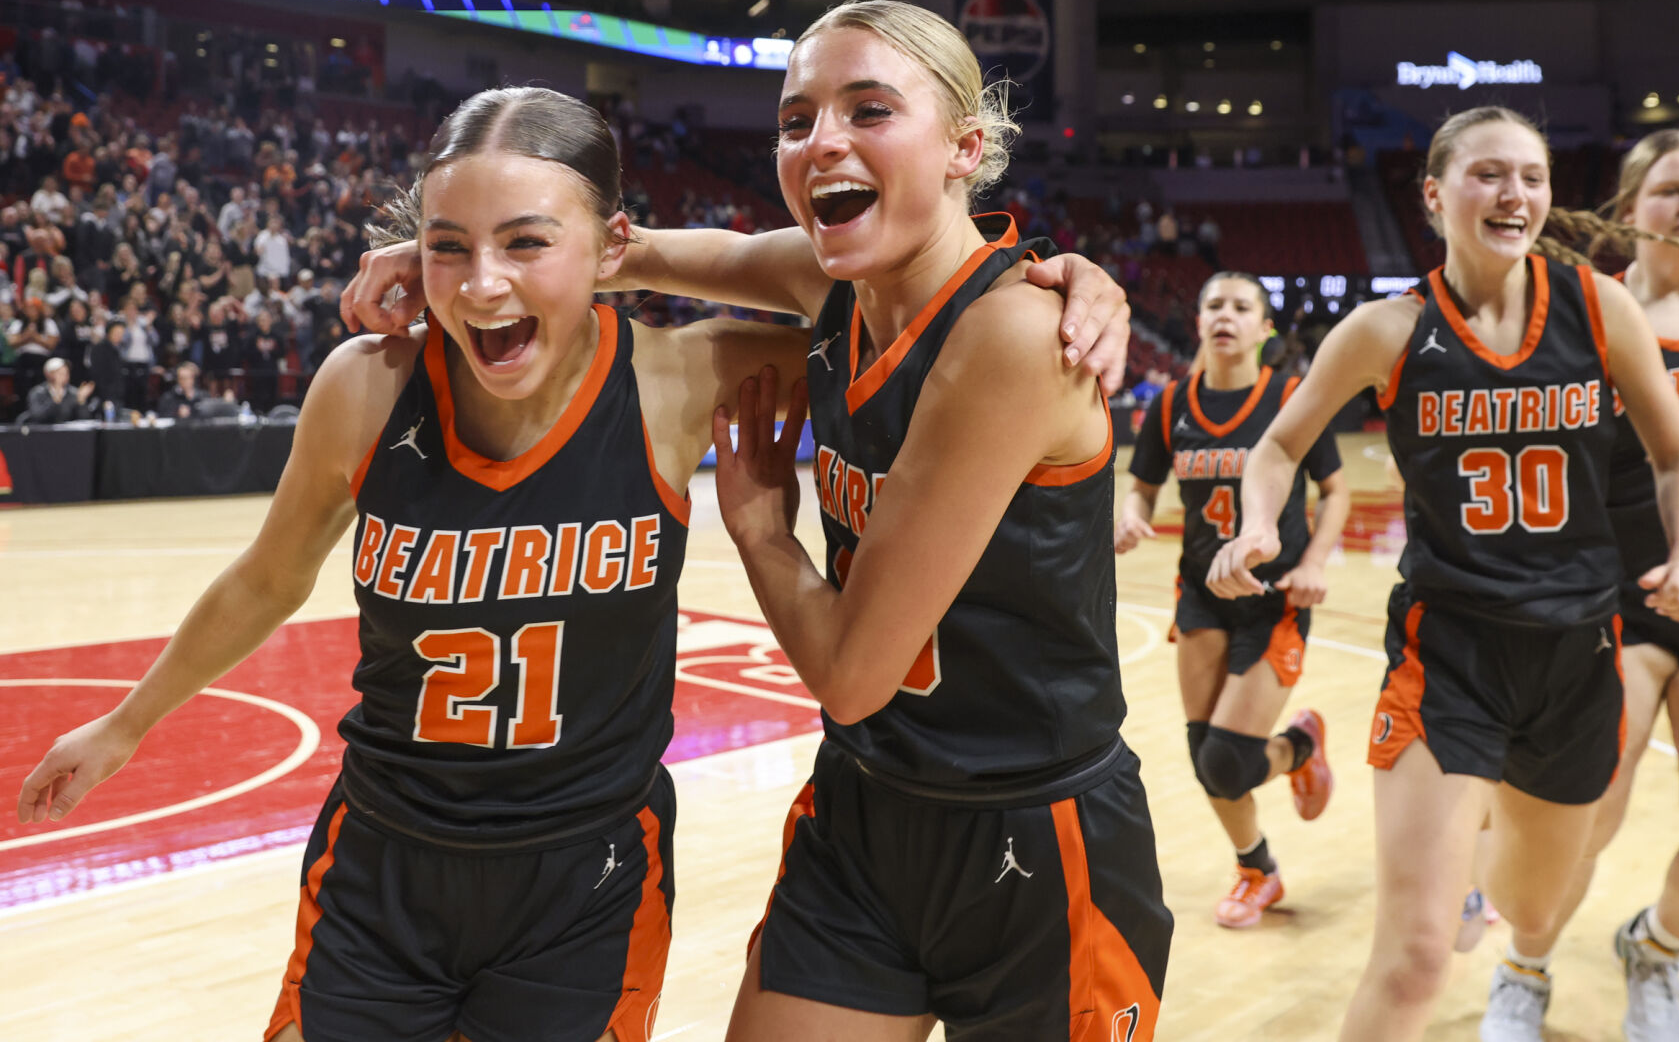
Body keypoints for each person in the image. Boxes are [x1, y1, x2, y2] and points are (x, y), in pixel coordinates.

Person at [27, 81, 1129, 1042]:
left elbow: (937, 330)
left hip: (587, 874)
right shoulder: (366, 383)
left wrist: (1065, 285)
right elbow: (268, 578)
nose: (482, 284)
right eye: (447, 246)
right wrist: (128, 722)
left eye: (524, 241)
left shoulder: (686, 381)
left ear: (609, 253)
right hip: (383, 857)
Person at [704, 0, 1169, 1040]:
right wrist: (444, 262)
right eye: (795, 120)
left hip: (1036, 835)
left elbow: (851, 675)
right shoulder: (831, 282)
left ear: (966, 146)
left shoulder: (1012, 333)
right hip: (865, 809)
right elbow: (660, 253)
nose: (821, 138)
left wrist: (757, 526)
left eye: (868, 109)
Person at [1206, 106, 1679, 1042]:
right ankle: (1453, 824)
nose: (1512, 193)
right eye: (1487, 174)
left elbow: (1676, 458)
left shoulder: (1599, 308)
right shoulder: (1386, 329)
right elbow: (1278, 446)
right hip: (1444, 659)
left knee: (1527, 908)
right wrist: (1252, 531)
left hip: (1574, 657)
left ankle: (1485, 861)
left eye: (1529, 175)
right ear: (1435, 194)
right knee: (1413, 958)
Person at [1477, 130, 1679, 1042]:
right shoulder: (1581, 318)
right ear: (1628, 207)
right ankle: (1521, 968)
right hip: (1612, 608)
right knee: (1582, 818)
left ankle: (1657, 947)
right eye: (1671, 189)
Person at [1115, 271, 1350, 929]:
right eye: (1212, 303)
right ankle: (1257, 870)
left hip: (1273, 599)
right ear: (1196, 322)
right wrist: (1132, 515)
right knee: (1207, 760)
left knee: (1228, 761)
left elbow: (1335, 492)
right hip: (1200, 594)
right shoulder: (1169, 405)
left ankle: (1300, 746)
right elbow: (1141, 488)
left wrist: (1311, 562)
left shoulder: (1292, 398)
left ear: (1263, 327)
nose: (1225, 315)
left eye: (1241, 306)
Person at [22, 356, 94, 423]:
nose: (65, 376)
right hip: (44, 434)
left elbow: (84, 421)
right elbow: (37, 417)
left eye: (66, 372)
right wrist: (54, 402)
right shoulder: (38, 393)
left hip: (68, 434)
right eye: (60, 373)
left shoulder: (73, 393)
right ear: (49, 374)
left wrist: (81, 401)